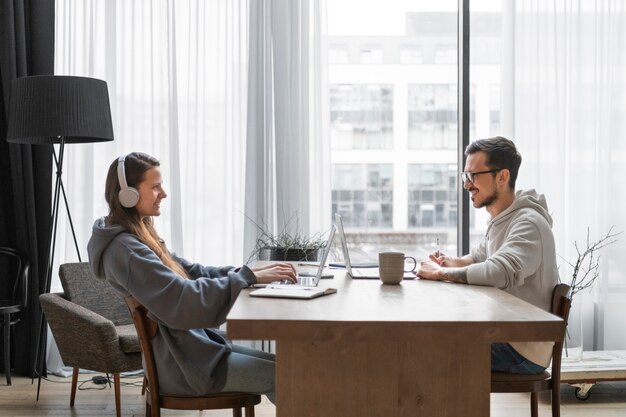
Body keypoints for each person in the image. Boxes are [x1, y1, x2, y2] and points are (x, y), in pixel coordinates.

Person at [87, 152, 298, 403]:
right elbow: (183, 299)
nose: (163, 193)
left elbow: (193, 271)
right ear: (127, 195)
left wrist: (252, 274)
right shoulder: (127, 250)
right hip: (184, 367)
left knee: (287, 367)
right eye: (155, 187)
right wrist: (245, 277)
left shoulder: (138, 236)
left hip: (193, 353)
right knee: (288, 376)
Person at [416, 136, 559, 374]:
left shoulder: (528, 223)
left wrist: (442, 273)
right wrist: (452, 262)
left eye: (473, 176)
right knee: (424, 343)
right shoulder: (504, 218)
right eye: (465, 176)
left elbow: (498, 271)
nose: (466, 184)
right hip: (504, 335)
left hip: (520, 348)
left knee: (424, 349)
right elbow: (480, 256)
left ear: (502, 177)